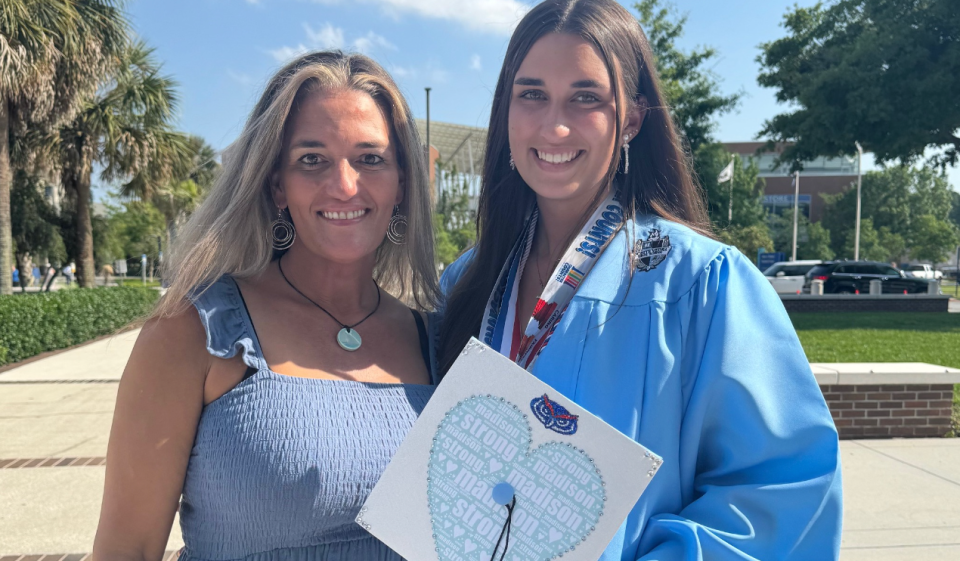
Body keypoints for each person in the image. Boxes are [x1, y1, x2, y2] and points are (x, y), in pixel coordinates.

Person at [437, 1, 842, 559]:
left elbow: (781, 496)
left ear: (631, 119)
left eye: (586, 98)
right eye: (531, 94)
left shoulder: (700, 284)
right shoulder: (466, 280)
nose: (554, 124)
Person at [93, 51, 440, 561]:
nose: (344, 185)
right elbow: (129, 548)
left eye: (370, 158)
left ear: (402, 184)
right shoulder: (194, 330)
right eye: (311, 159)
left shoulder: (438, 340)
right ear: (277, 185)